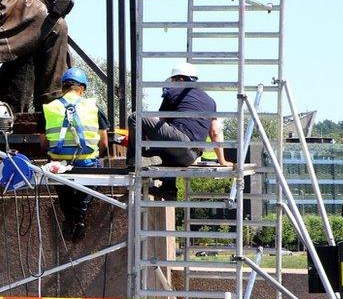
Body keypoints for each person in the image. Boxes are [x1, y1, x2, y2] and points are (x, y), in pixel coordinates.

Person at [128, 61, 228, 199]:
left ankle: (135, 160)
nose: (172, 84)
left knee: (135, 117)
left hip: (180, 142)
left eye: (174, 80)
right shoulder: (210, 101)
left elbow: (161, 123)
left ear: (181, 79)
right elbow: (215, 133)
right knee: (159, 153)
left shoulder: (174, 93)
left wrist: (141, 141)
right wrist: (222, 160)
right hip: (191, 157)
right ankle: (168, 189)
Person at [39, 68, 109, 241]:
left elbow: (43, 144)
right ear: (82, 89)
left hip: (58, 164)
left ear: (63, 88)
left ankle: (70, 215)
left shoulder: (48, 108)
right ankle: (79, 213)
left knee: (56, 173)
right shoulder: (93, 107)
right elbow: (104, 144)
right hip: (86, 163)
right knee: (99, 167)